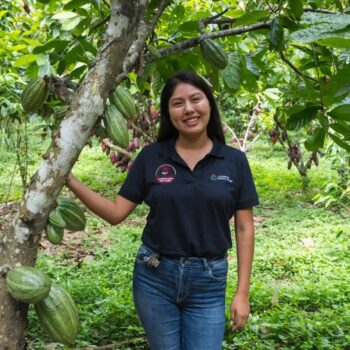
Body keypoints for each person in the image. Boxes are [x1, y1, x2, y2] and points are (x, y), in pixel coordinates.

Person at [66, 71, 259, 350]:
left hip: (208, 281)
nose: (189, 109)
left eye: (196, 99)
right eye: (178, 103)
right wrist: (69, 179)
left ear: (209, 105)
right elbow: (115, 212)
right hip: (154, 277)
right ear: (168, 113)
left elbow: (244, 227)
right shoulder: (152, 156)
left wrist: (242, 293)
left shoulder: (234, 161)